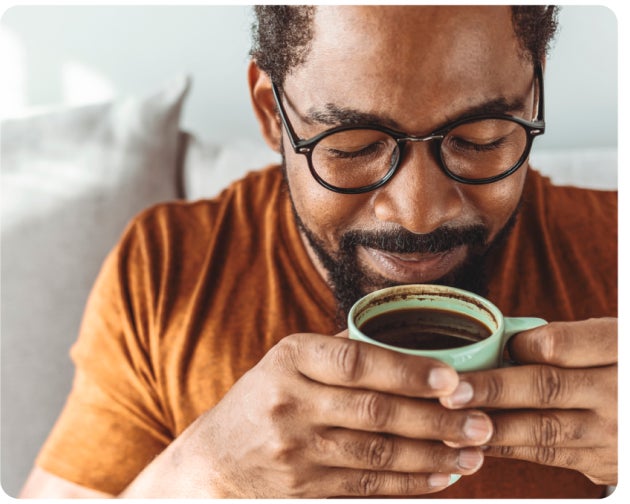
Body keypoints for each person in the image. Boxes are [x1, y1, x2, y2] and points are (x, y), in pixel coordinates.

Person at [20, 5, 617, 499]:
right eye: (353, 146)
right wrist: (213, 473)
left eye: (477, 139)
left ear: (533, 98)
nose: (418, 212)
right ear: (270, 114)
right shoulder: (168, 268)